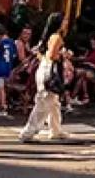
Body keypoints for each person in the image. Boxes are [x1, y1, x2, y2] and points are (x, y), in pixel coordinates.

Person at [18, 12, 69, 143]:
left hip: (44, 68)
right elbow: (52, 55)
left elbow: (41, 54)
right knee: (44, 102)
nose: (66, 23)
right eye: (64, 20)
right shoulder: (56, 37)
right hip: (50, 70)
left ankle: (56, 130)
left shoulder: (47, 37)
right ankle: (28, 132)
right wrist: (64, 55)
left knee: (53, 103)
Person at [0, 24, 18, 117]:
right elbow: (14, 55)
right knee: (4, 88)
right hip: (8, 67)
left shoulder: (0, 43)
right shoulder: (12, 42)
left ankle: (2, 106)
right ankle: (3, 103)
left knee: (0, 88)